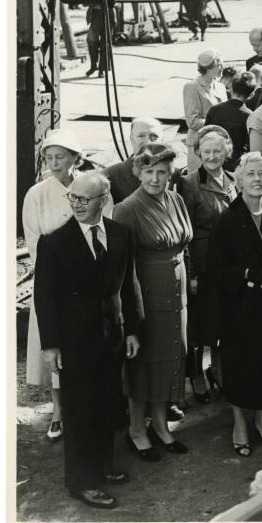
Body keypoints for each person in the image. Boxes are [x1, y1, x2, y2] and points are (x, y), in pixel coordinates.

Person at [34, 171, 142, 509]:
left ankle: (104, 466)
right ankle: (82, 482)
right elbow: (44, 297)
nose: (77, 204)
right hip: (73, 341)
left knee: (108, 402)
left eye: (85, 199)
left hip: (112, 336)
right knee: (80, 411)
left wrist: (133, 329)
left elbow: (128, 284)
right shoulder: (53, 242)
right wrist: (50, 344)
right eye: (73, 198)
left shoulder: (120, 234)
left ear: (103, 200)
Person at [204, 152, 262, 455]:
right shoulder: (228, 219)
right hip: (240, 308)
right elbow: (215, 269)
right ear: (239, 179)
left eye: (261, 174)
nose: (257, 179)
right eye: (250, 174)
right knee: (240, 366)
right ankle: (239, 423)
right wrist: (246, 273)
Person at [113, 144, 193, 461]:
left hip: (178, 294)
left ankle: (160, 425)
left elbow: (185, 246)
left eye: (161, 172)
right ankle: (136, 429)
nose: (155, 179)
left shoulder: (175, 199)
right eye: (148, 172)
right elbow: (122, 268)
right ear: (138, 173)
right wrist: (132, 317)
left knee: (169, 359)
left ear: (170, 173)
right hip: (146, 297)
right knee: (143, 366)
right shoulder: (127, 209)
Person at [22, 130, 95, 442]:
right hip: (54, 285)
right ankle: (59, 411)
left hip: (88, 281)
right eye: (48, 158)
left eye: (60, 157)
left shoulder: (90, 186)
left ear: (74, 158)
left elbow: (102, 226)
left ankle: (88, 409)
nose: (53, 163)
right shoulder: (36, 194)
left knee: (88, 345)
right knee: (56, 347)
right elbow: (35, 242)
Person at [179, 126, 237, 403]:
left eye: (217, 150)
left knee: (223, 322)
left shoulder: (234, 180)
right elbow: (184, 234)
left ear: (227, 151)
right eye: (206, 151)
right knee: (199, 326)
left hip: (228, 267)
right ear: (198, 152)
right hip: (202, 267)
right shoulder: (189, 184)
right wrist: (190, 275)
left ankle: (218, 369)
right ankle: (197, 376)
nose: (212, 156)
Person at [104, 118, 167, 204]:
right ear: (131, 138)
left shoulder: (174, 175)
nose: (148, 141)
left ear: (162, 141)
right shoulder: (110, 177)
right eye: (141, 136)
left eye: (154, 136)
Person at [183, 49, 226, 173]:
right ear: (209, 67)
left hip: (218, 144)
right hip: (199, 146)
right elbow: (192, 121)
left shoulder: (221, 87)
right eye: (219, 65)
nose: (222, 67)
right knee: (198, 185)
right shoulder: (192, 87)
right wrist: (219, 122)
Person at [205, 71, 255, 169]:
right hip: (237, 166)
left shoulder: (214, 109)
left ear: (231, 88)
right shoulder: (251, 116)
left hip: (213, 161)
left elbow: (204, 137)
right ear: (251, 95)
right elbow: (251, 147)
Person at [85, 0, 118, 78]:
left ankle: (102, 69)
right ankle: (94, 65)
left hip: (108, 17)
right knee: (91, 40)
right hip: (96, 16)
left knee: (106, 43)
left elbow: (114, 4)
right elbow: (88, 2)